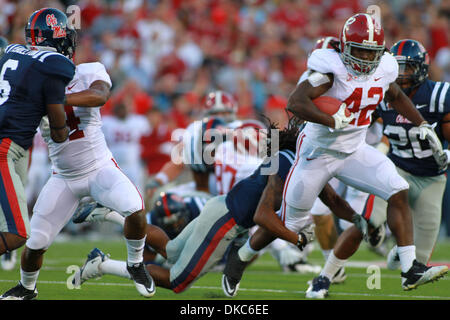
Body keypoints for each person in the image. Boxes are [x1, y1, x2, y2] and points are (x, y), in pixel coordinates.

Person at [73, 119, 360, 295]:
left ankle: (111, 214)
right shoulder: (288, 163)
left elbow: (332, 199)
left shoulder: (286, 159)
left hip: (220, 206)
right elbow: (262, 214)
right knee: (177, 281)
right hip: (226, 220)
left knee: (172, 251)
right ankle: (102, 264)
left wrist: (361, 219)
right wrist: (295, 238)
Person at [281, 13, 448, 298]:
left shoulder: (386, 69)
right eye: (358, 50)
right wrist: (331, 120)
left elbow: (395, 95)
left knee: (398, 190)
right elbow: (295, 102)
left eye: (370, 52)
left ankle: (410, 271)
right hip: (320, 153)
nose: (363, 58)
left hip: (365, 155)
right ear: (344, 47)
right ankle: (244, 250)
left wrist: (421, 123)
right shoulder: (329, 68)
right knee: (288, 223)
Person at [0, 8, 154, 300]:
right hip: (62, 176)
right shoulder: (28, 83)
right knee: (35, 242)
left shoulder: (88, 70)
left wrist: (55, 98)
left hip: (98, 167)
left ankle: (135, 263)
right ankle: (26, 288)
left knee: (135, 208)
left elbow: (100, 95)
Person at [0, 8, 73, 264]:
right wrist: (62, 130)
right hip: (5, 148)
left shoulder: (11, 51)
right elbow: (58, 128)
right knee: (17, 232)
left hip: (13, 146)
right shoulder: (54, 64)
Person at [375, 39, 450, 269]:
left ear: (421, 69)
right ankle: (376, 233)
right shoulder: (383, 95)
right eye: (398, 68)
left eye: (408, 67)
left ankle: (401, 250)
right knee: (371, 221)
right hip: (398, 168)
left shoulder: (439, 95)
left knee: (420, 261)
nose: (402, 74)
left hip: (432, 177)